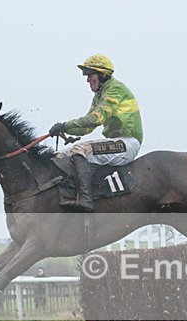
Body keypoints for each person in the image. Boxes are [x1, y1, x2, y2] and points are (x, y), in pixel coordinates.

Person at [49, 54, 143, 211]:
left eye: (90, 75)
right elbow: (87, 127)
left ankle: (85, 200)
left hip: (127, 143)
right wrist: (66, 131)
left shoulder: (115, 90)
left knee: (80, 150)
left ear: (103, 75)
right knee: (63, 154)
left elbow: (96, 118)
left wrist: (64, 126)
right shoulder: (99, 95)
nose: (87, 80)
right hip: (115, 143)